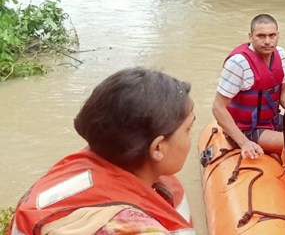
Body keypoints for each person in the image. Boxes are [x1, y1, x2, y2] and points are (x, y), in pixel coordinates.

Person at [9, 68, 195, 235]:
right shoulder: (131, 228)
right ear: (158, 148)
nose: (190, 138)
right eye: (188, 129)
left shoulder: (87, 164)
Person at [212, 14, 285, 159]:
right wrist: (244, 142)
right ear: (251, 36)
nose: (267, 41)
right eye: (261, 36)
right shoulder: (238, 63)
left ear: (278, 35)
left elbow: (283, 96)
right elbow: (218, 108)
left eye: (272, 35)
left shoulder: (281, 54)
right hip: (245, 129)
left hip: (271, 120)